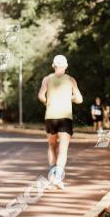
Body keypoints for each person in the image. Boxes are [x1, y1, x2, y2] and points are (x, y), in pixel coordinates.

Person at [38, 55, 83, 190]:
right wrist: (71, 98)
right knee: (63, 150)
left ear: (53, 65)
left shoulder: (47, 79)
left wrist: (48, 103)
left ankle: (52, 177)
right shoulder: (71, 80)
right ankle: (57, 178)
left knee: (52, 146)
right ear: (66, 66)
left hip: (50, 116)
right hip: (65, 117)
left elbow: (41, 96)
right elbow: (80, 99)